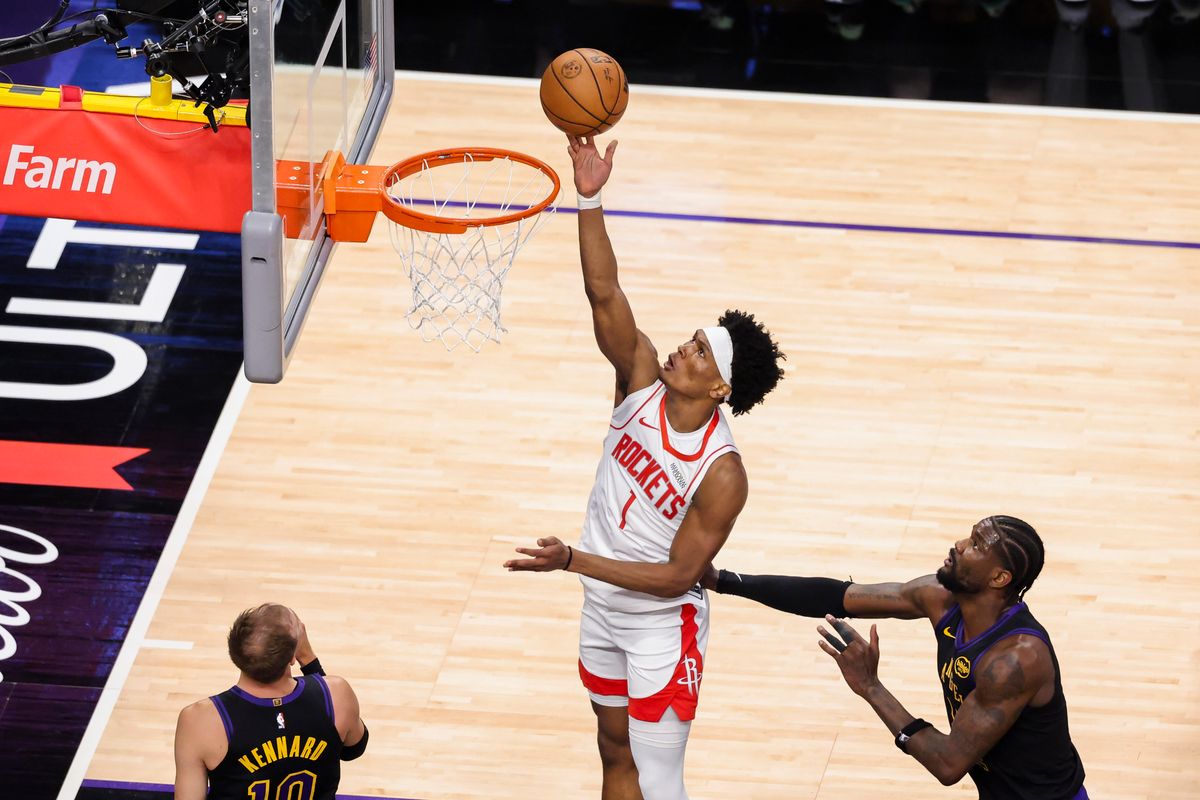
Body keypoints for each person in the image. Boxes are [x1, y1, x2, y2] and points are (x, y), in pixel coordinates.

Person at [505, 135, 787, 800]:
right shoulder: (638, 378)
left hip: (662, 623)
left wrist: (573, 559)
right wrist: (591, 194)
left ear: (720, 389)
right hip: (599, 604)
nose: (682, 351)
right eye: (688, 339)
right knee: (612, 754)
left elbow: (675, 578)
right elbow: (603, 291)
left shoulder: (723, 473)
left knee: (660, 780)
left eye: (698, 353)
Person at [705, 515, 1088, 799]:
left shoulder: (1014, 660)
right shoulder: (941, 597)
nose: (957, 543)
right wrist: (724, 581)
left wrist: (871, 687)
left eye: (975, 544)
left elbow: (949, 763)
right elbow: (837, 597)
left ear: (999, 578)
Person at [173, 604, 368, 800]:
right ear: (292, 656)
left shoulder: (200, 720)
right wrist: (308, 658)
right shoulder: (336, 693)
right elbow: (353, 748)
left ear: (234, 652)